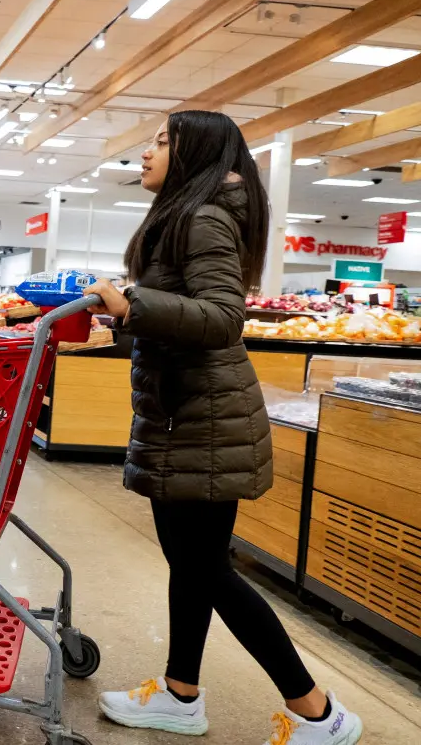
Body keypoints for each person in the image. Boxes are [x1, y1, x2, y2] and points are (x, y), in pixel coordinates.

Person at [89, 111, 363, 745]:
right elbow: (186, 314)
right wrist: (127, 318)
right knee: (191, 566)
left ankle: (319, 712)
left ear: (195, 153)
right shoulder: (181, 219)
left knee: (207, 569)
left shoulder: (203, 218)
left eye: (160, 141)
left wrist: (132, 303)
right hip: (187, 415)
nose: (145, 152)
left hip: (205, 421)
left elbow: (220, 318)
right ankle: (181, 694)